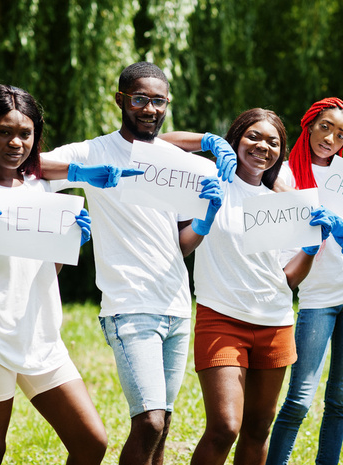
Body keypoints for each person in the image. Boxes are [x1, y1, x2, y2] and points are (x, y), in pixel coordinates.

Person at [39, 62, 228, 465]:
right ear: (121, 100)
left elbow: (182, 245)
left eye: (158, 101)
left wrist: (206, 218)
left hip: (177, 307)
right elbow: (27, 165)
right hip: (129, 306)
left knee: (163, 425)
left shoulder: (177, 162)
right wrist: (79, 173)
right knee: (150, 422)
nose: (150, 109)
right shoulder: (94, 151)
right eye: (140, 99)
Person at [0, 84, 108, 465]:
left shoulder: (42, 187)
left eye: (25, 133)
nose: (15, 142)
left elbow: (48, 269)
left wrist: (71, 240)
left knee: (91, 442)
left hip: (39, 334)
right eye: (4, 131)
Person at [166, 108, 343, 465]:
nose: (262, 147)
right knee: (225, 427)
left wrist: (310, 249)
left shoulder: (286, 201)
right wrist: (208, 141)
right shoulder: (212, 177)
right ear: (235, 138)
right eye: (253, 136)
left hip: (275, 322)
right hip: (221, 319)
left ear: (280, 153)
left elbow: (290, 277)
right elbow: (157, 146)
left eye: (273, 142)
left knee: (258, 430)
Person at [265, 97, 343, 465]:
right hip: (316, 300)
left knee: (340, 399)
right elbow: (279, 199)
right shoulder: (284, 175)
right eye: (325, 127)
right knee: (300, 398)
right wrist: (316, 216)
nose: (331, 138)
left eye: (341, 134)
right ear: (308, 124)